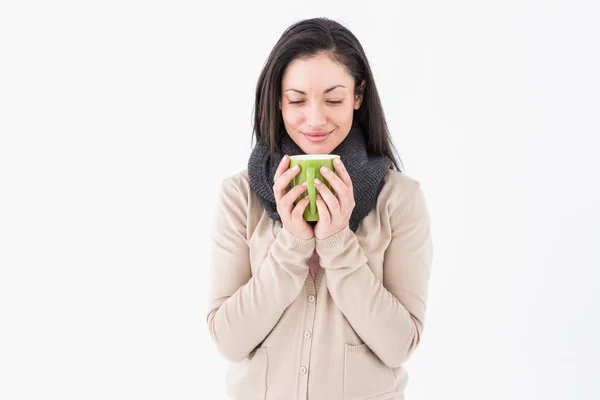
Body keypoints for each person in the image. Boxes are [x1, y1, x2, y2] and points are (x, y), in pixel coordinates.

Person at [206, 17, 433, 400]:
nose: (314, 119)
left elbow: (399, 346)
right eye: (296, 100)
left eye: (333, 99)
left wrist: (337, 243)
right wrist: (292, 244)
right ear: (277, 99)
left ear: (358, 96)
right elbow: (229, 341)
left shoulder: (400, 199)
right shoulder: (239, 197)